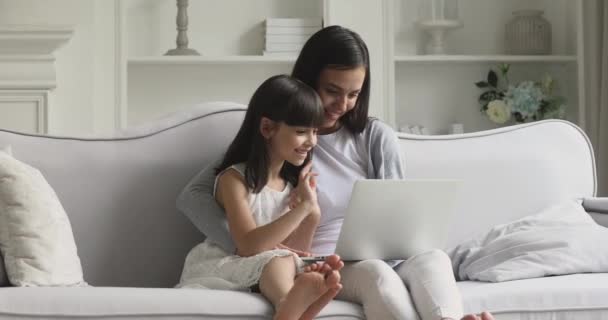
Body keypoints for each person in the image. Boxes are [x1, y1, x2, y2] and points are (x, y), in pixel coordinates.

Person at [178, 26, 494, 320]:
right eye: (332, 90)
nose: (342, 104)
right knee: (377, 274)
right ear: (308, 79)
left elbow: (398, 215)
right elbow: (195, 194)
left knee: (435, 259)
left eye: (354, 94)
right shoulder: (283, 138)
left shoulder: (374, 138)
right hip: (324, 262)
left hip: (385, 257)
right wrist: (245, 248)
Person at [177, 75, 344, 320]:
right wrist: (303, 208)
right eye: (301, 132)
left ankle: (297, 306)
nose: (311, 141)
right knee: (282, 261)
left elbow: (296, 251)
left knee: (299, 265)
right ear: (267, 128)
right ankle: (289, 304)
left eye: (315, 131)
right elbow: (248, 246)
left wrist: (312, 212)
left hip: (266, 268)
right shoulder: (234, 179)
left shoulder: (290, 187)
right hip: (224, 264)